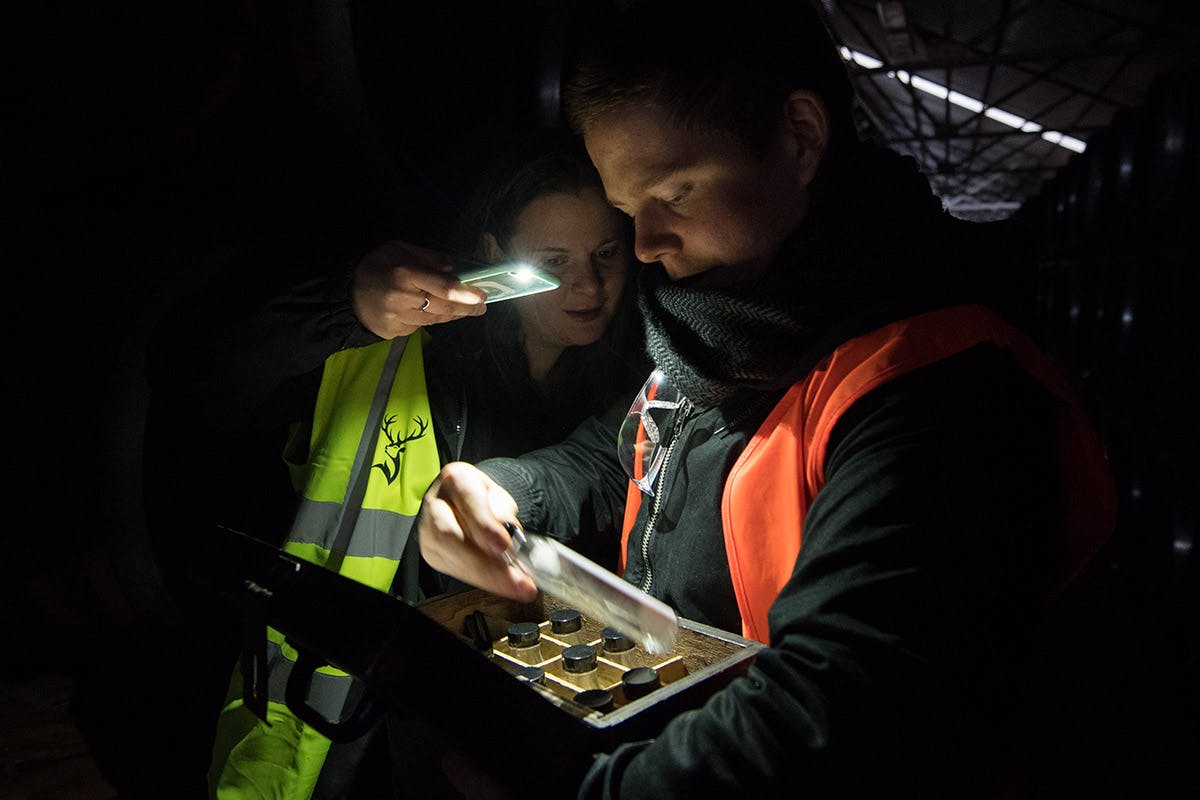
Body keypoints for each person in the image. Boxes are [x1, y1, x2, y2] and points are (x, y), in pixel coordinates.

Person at [416, 1, 1118, 797]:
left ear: (800, 137)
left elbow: (839, 712)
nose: (644, 245)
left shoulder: (941, 391)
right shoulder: (716, 321)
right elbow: (624, 457)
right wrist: (506, 489)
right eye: (628, 211)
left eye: (674, 194)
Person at [78, 132, 646, 800]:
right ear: (496, 255)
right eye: (553, 259)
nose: (587, 283)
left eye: (606, 253)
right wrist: (343, 308)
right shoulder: (404, 350)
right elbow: (189, 376)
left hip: (525, 715)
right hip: (358, 720)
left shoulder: (634, 369)